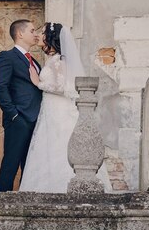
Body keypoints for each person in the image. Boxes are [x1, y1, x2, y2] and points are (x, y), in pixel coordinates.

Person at [19, 22, 111, 193]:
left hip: (57, 110)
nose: (39, 35)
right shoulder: (54, 60)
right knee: (49, 146)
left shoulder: (58, 61)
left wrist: (38, 83)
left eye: (43, 33)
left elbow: (62, 88)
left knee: (58, 145)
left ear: (51, 38)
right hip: (50, 110)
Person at [0, 19, 43, 192]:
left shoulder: (35, 62)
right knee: (11, 164)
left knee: (29, 168)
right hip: (18, 120)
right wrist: (14, 115)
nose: (35, 34)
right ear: (20, 34)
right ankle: (0, 205)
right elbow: (0, 87)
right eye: (32, 30)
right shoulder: (7, 57)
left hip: (36, 121)